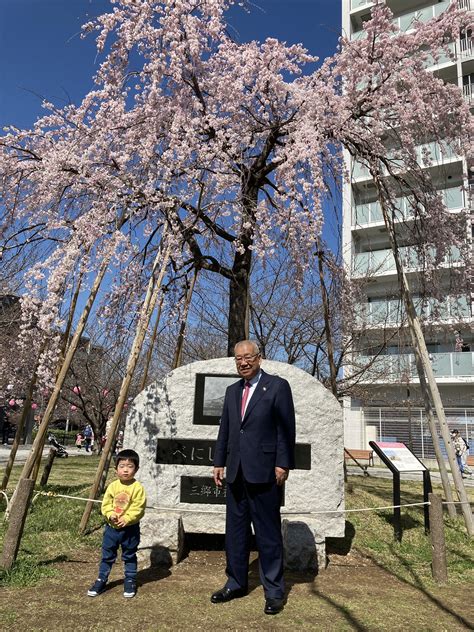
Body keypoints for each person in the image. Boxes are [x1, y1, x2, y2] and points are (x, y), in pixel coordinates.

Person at [211, 340, 296, 616]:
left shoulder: (277, 387)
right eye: (238, 359)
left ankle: (273, 591)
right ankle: (235, 582)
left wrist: (282, 463)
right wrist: (218, 461)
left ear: (259, 358)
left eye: (248, 357)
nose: (243, 362)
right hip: (235, 472)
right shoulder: (231, 391)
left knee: (268, 534)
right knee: (234, 534)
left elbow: (286, 429)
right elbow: (226, 428)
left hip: (264, 472)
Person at [87, 449, 146, 598]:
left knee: (129, 555)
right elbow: (105, 504)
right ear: (116, 469)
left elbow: (138, 507)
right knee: (107, 555)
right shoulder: (113, 486)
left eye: (130, 466)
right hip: (111, 529)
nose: (126, 470)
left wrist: (127, 518)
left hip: (130, 529)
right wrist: (110, 515)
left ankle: (130, 580)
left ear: (136, 469)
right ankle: (101, 579)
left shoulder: (137, 488)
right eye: (122, 466)